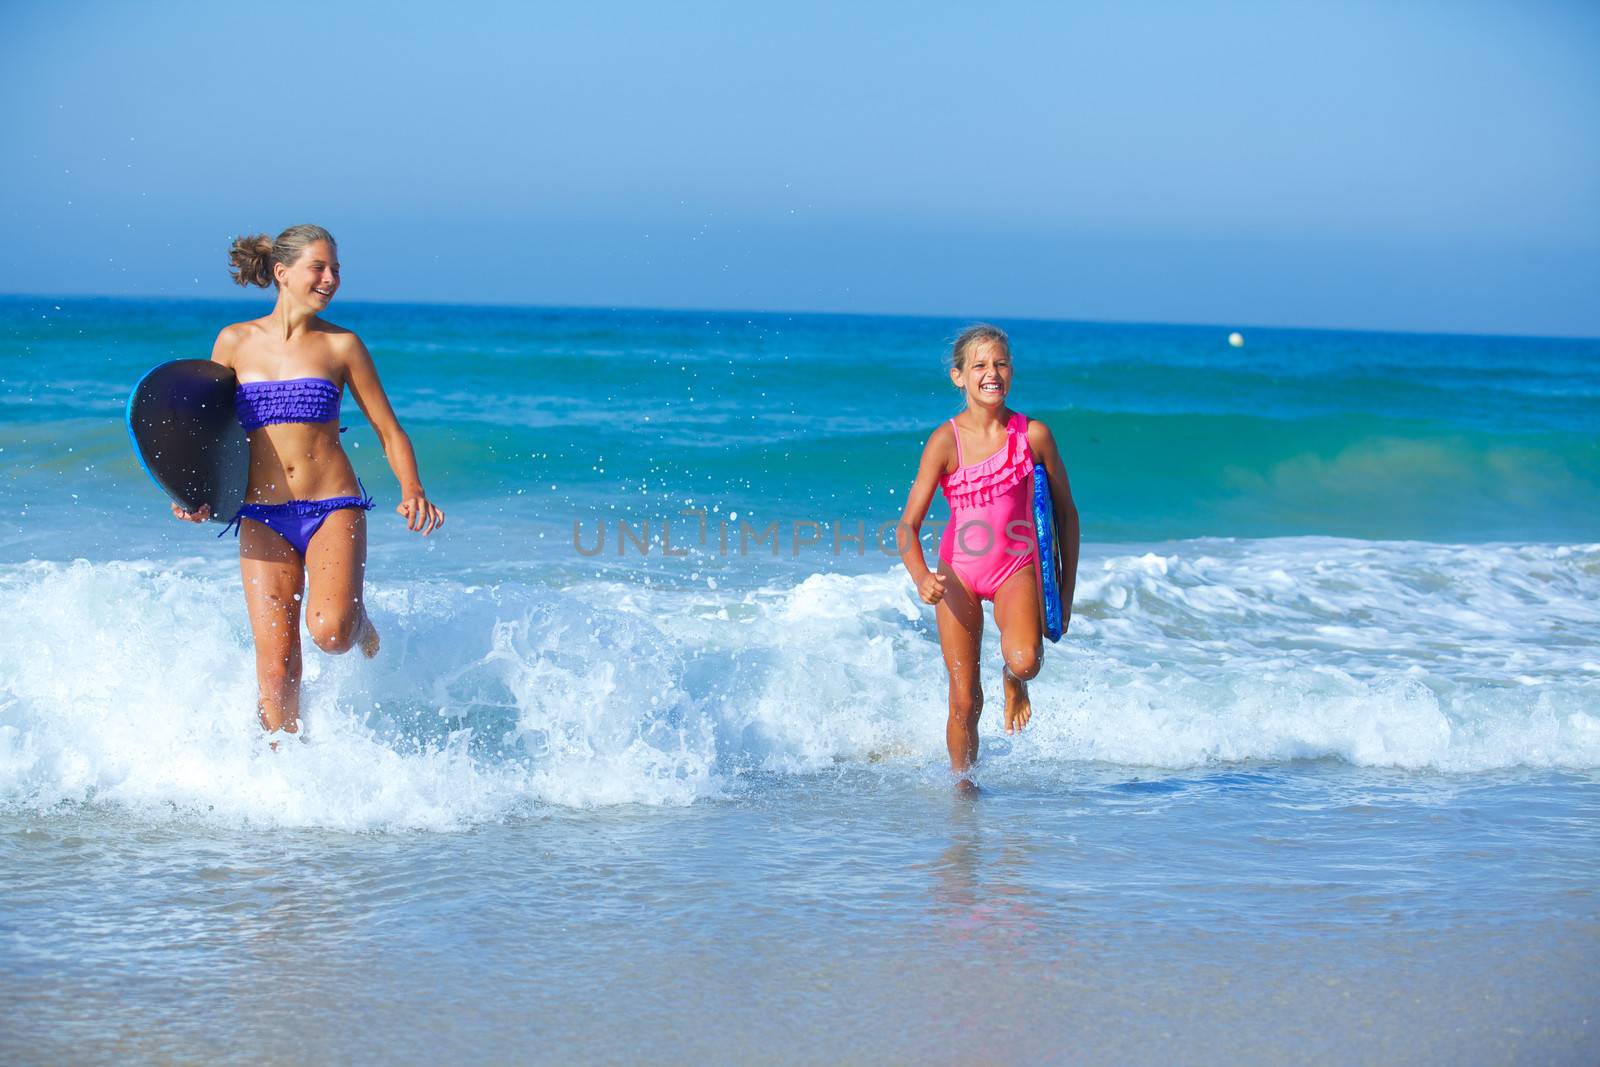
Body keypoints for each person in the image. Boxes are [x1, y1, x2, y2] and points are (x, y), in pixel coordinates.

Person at [174, 224, 444, 735]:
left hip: (331, 507)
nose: (330, 278)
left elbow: (389, 431)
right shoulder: (234, 342)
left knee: (331, 632)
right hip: (261, 514)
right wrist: (193, 494)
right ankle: (281, 776)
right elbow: (209, 434)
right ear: (282, 272)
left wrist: (413, 491)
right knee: (276, 669)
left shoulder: (343, 346)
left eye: (336, 269)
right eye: (318, 267)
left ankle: (361, 623)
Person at [897, 324, 1079, 787]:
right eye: (979, 365)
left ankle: (1011, 681)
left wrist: (1064, 590)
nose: (991, 373)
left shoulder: (1033, 436)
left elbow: (1067, 517)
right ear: (959, 377)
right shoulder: (945, 441)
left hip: (1015, 568)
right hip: (958, 572)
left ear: (1011, 371)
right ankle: (964, 788)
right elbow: (907, 527)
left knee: (1026, 661)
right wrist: (921, 576)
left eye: (1000, 363)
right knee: (963, 699)